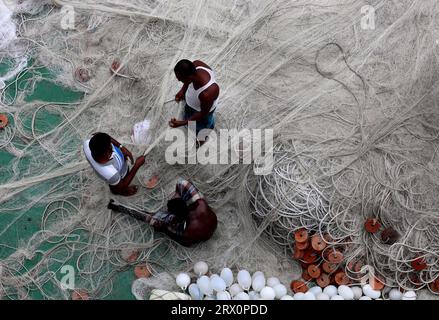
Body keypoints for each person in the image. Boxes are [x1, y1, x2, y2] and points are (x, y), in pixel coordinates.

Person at [108, 178, 217, 247]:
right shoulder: (200, 204)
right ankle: (177, 200)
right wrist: (177, 196)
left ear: (175, 216)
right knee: (181, 183)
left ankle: (117, 206)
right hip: (209, 223)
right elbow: (183, 183)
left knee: (153, 219)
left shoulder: (184, 230)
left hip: (191, 236)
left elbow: (168, 231)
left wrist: (162, 226)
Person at [169, 59, 220, 136]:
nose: (178, 80)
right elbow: (187, 81)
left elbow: (203, 114)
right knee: (190, 120)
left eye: (180, 79)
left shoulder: (207, 93)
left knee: (202, 129)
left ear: (189, 77)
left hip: (201, 114)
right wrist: (183, 90)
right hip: (193, 106)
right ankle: (193, 126)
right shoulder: (196, 65)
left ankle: (202, 138)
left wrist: (182, 123)